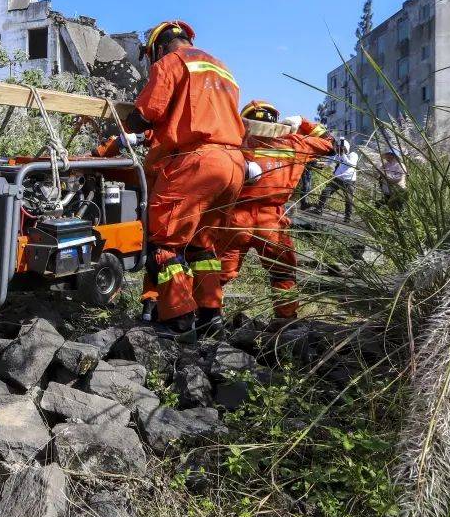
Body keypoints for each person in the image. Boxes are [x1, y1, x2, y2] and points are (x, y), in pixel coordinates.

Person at [124, 20, 245, 339]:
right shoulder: (222, 69)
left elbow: (146, 114)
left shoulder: (171, 62)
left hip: (196, 162)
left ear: (159, 48)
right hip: (233, 163)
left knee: (165, 244)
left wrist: (129, 122)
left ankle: (177, 319)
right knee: (203, 247)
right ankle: (210, 317)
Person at [215, 101, 334, 318]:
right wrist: (303, 122)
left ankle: (207, 319)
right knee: (283, 274)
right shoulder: (295, 143)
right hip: (272, 221)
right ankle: (285, 324)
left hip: (234, 219)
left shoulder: (233, 143)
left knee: (218, 273)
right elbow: (331, 144)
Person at [313, 137, 358, 221]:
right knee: (326, 191)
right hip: (338, 178)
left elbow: (350, 164)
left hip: (348, 181)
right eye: (338, 148)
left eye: (341, 148)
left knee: (348, 199)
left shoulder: (353, 155)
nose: (339, 150)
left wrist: (343, 154)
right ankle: (319, 209)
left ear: (346, 148)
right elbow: (328, 163)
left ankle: (347, 217)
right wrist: (315, 163)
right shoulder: (338, 155)